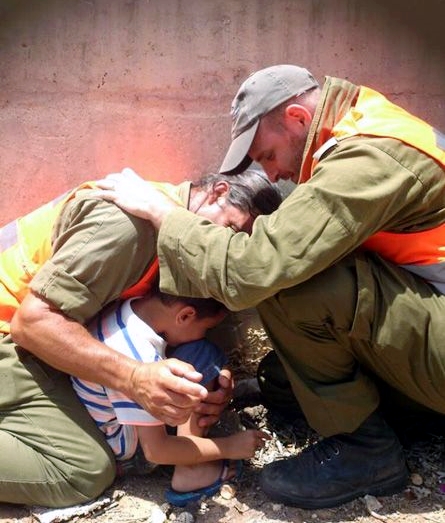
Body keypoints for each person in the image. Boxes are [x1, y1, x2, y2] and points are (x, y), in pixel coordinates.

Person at [94, 64, 445, 510]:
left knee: (289, 282)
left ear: (298, 118)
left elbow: (256, 270)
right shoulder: (360, 124)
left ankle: (367, 453)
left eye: (266, 156)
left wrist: (166, 216)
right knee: (283, 381)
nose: (272, 175)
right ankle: (402, 416)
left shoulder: (370, 158)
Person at [0, 169, 282, 507]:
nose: (221, 251)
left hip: (42, 337)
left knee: (200, 354)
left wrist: (213, 381)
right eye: (231, 232)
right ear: (217, 193)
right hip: (13, 340)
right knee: (85, 469)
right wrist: (134, 378)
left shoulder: (176, 240)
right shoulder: (129, 229)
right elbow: (32, 324)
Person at [73, 283, 268, 507]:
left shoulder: (122, 310)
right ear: (185, 316)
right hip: (134, 452)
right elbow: (156, 451)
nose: (203, 334)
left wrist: (220, 369)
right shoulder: (139, 357)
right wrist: (229, 447)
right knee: (203, 355)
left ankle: (191, 452)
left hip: (110, 425)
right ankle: (192, 472)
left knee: (204, 353)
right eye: (206, 328)